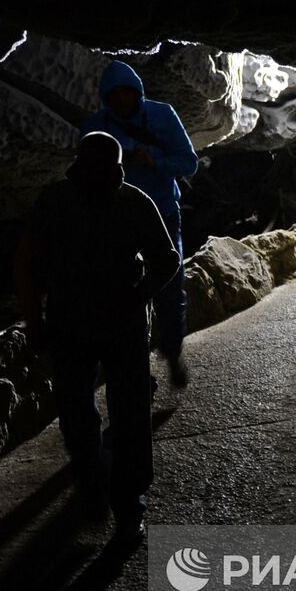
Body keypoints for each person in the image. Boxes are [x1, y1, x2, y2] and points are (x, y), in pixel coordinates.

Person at [14, 131, 181, 544]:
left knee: (130, 412)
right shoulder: (55, 202)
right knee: (76, 413)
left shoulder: (131, 203)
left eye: (100, 166)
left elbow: (167, 258)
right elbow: (30, 265)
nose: (93, 173)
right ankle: (95, 480)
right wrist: (34, 319)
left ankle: (128, 502)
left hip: (116, 324)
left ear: (114, 167)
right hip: (73, 323)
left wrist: (138, 297)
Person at [82, 60, 199, 387]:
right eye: (114, 94)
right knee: (121, 293)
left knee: (169, 289)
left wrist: (155, 161)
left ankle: (173, 351)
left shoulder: (162, 115)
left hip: (161, 215)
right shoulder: (97, 126)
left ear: (137, 92)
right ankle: (134, 369)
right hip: (117, 222)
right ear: (106, 96)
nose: (121, 100)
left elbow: (188, 162)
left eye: (126, 93)